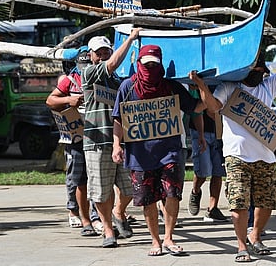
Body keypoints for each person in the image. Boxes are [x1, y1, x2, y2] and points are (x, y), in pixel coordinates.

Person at [190, 27, 276, 262]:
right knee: (238, 203)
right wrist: (201, 86)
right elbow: (213, 108)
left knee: (267, 201)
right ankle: (241, 246)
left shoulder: (267, 86)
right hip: (237, 157)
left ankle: (255, 235)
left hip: (265, 157)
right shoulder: (229, 88)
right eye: (255, 69)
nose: (259, 73)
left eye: (261, 69)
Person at [112, 44, 205, 256]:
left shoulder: (172, 88)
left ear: (161, 65)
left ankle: (169, 238)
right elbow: (118, 119)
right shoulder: (127, 88)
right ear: (138, 65)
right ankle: (155, 241)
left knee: (173, 194)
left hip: (170, 152)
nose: (150, 68)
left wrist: (203, 88)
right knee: (148, 199)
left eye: (154, 64)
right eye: (147, 64)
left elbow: (195, 107)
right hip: (140, 155)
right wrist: (117, 145)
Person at [81, 29, 140, 248]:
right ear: (91, 54)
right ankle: (108, 230)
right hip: (96, 142)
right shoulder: (88, 72)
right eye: (99, 51)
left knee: (131, 188)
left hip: (122, 141)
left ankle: (119, 212)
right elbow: (113, 64)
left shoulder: (118, 81)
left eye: (107, 50)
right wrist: (131, 39)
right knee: (100, 190)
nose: (104, 54)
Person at [46, 48, 102, 236]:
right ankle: (74, 211)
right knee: (76, 176)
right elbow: (51, 100)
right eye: (83, 65)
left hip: (97, 135)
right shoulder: (69, 80)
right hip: (76, 136)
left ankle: (95, 216)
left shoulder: (101, 76)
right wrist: (70, 99)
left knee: (97, 178)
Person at [187, 84, 228, 222]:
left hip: (220, 132)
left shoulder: (223, 84)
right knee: (203, 171)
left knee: (218, 172)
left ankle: (212, 208)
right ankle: (195, 191)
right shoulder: (196, 86)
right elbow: (195, 110)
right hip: (200, 132)